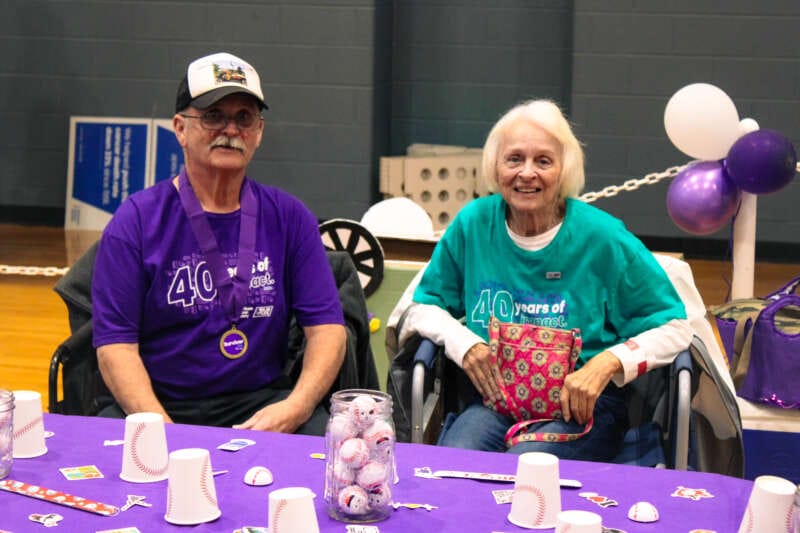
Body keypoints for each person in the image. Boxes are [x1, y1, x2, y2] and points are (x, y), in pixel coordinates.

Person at [404, 99, 693, 460]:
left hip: (582, 410)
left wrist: (607, 363)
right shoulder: (473, 224)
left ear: (564, 170)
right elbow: (424, 307)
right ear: (496, 166)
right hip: (496, 403)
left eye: (543, 161)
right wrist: (464, 344)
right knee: (456, 461)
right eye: (514, 159)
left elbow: (677, 327)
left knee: (529, 469)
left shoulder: (602, 237)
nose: (527, 173)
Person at [91, 52, 346, 435]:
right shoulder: (136, 221)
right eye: (213, 116)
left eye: (244, 118)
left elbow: (327, 329)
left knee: (327, 459)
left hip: (263, 402)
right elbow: (116, 347)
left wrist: (296, 406)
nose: (230, 129)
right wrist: (160, 425)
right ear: (180, 128)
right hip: (158, 401)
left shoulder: (290, 217)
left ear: (259, 132)